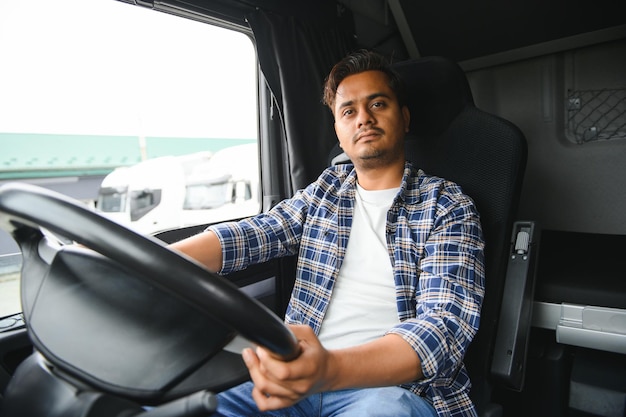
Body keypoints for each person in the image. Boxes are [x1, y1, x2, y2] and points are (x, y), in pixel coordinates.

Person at [172, 49, 485, 417]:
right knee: (175, 404)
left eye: (378, 104)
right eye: (348, 111)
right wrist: (156, 258)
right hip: (295, 376)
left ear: (404, 118)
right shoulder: (327, 190)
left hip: (389, 392)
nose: (363, 119)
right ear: (338, 131)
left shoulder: (446, 204)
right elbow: (254, 233)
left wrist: (327, 370)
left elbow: (443, 328)